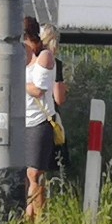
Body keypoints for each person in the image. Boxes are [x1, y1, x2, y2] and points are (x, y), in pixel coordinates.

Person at [23, 16, 56, 221]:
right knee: (25, 176)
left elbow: (38, 90)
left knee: (35, 174)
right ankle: (28, 218)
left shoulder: (44, 56)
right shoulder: (22, 58)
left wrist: (16, 82)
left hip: (39, 121)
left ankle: (40, 220)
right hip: (21, 121)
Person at [40, 23, 70, 172]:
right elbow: (59, 98)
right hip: (48, 117)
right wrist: (64, 89)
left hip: (28, 116)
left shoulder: (29, 61)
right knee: (44, 169)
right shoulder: (55, 64)